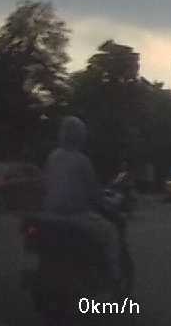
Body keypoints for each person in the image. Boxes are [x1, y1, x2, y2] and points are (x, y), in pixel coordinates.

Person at [42, 116, 121, 285]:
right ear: (80, 136)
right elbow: (94, 193)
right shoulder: (82, 160)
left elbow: (47, 184)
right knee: (111, 232)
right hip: (75, 215)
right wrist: (107, 203)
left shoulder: (52, 156)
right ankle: (114, 278)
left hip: (50, 215)